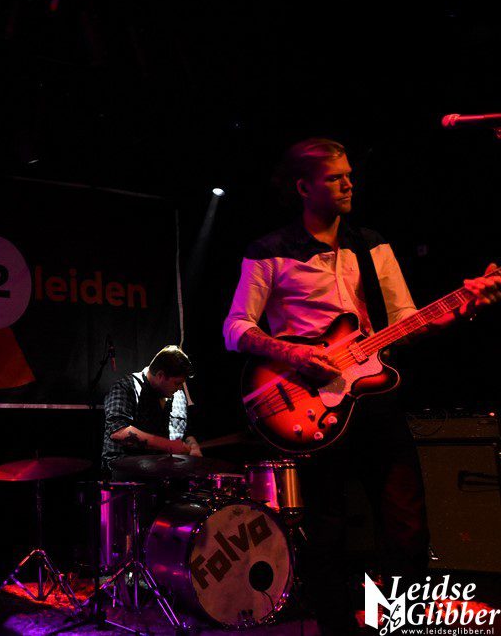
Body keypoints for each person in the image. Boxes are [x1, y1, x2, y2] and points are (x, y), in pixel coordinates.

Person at [222, 137, 500, 634]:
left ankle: (398, 622)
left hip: (375, 402)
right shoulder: (269, 251)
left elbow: (408, 320)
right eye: (336, 177)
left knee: (407, 524)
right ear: (304, 187)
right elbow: (235, 327)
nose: (349, 183)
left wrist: (463, 306)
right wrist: (297, 354)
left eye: (349, 174)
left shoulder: (372, 245)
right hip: (309, 407)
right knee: (327, 530)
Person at [101, 345, 203, 476]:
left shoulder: (179, 395)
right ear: (160, 375)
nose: (179, 388)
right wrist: (168, 445)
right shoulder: (125, 388)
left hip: (165, 475)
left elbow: (186, 432)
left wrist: (192, 445)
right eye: (177, 383)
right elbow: (118, 432)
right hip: (126, 476)